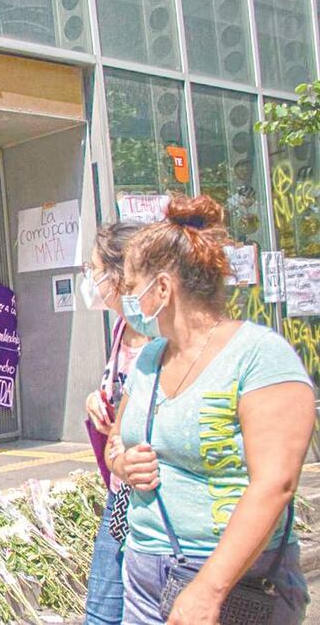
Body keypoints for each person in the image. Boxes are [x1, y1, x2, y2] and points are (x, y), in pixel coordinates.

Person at [106, 194, 314, 624]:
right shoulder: (149, 359)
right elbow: (116, 438)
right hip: (145, 570)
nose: (126, 301)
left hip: (237, 579)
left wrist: (209, 588)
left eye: (130, 287)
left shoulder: (260, 356)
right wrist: (123, 463)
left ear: (162, 289)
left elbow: (275, 482)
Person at [80, 221, 148, 625]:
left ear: (119, 275)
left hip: (148, 493)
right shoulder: (121, 327)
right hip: (119, 491)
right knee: (101, 612)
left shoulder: (159, 337)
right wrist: (96, 400)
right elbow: (117, 391)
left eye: (93, 269)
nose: (90, 280)